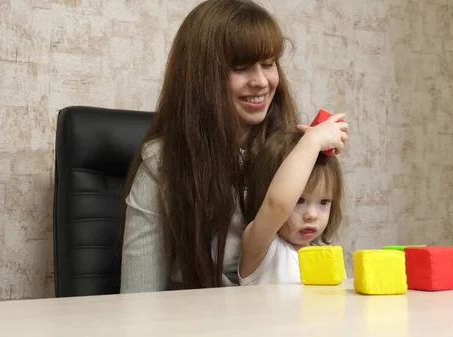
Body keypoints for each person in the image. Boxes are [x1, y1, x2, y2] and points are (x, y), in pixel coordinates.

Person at [118, 0, 348, 293]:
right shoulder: (163, 163)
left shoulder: (290, 152)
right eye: (241, 68)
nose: (262, 82)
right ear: (201, 79)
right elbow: (139, 298)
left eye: (268, 64)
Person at [238, 119, 347, 286]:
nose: (312, 215)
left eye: (324, 201)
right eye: (299, 201)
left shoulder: (325, 258)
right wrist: (313, 140)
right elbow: (277, 204)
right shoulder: (261, 249)